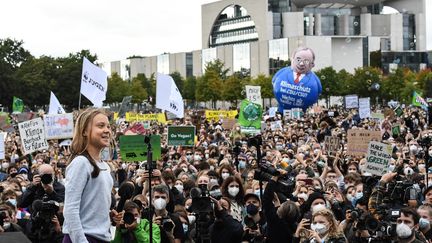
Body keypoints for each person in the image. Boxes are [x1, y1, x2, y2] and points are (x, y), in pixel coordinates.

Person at [62, 108, 114, 243]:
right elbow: (70, 210)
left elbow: (92, 207)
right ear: (84, 131)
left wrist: (109, 216)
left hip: (102, 238)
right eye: (100, 126)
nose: (107, 130)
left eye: (108, 126)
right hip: (83, 238)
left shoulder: (105, 166)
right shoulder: (80, 163)